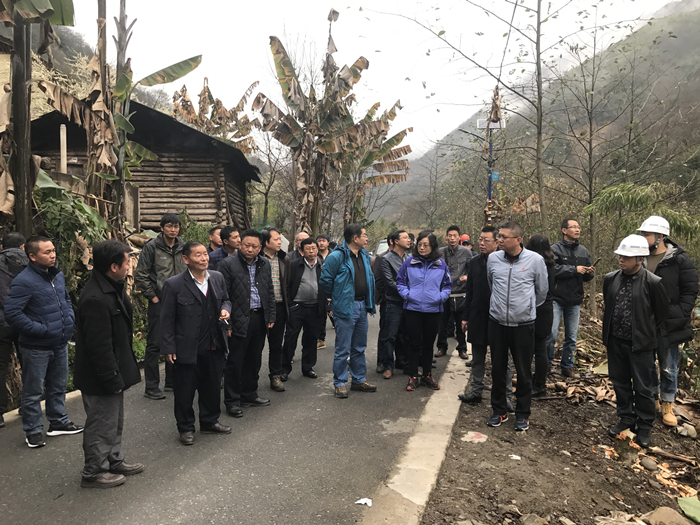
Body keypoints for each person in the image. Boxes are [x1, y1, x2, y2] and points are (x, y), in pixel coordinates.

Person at [74, 240, 143, 488]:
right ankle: (93, 472)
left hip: (113, 370)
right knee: (101, 423)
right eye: (126, 262)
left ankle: (113, 459)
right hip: (101, 375)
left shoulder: (112, 287)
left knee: (114, 420)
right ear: (114, 266)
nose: (129, 266)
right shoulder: (96, 298)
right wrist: (111, 377)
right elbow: (99, 346)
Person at [5, 236, 82, 448]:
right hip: (36, 346)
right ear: (32, 256)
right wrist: (40, 329)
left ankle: (58, 422)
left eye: (53, 250)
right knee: (34, 390)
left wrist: (69, 318)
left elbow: (65, 299)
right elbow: (12, 313)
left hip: (59, 342)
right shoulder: (24, 280)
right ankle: (33, 430)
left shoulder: (57, 276)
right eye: (47, 252)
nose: (53, 255)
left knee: (58, 386)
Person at [160, 241, 232, 445]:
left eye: (205, 254)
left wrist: (226, 310)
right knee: (185, 391)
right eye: (198, 255)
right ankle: (185, 428)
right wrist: (169, 347)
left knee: (212, 387)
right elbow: (166, 319)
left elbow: (226, 300)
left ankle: (210, 421)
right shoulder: (174, 284)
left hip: (214, 344)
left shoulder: (216, 278)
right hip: (187, 347)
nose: (203, 258)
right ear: (186, 259)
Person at [603, 234, 669, 448]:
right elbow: (609, 305)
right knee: (620, 383)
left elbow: (661, 313)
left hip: (641, 345)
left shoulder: (653, 282)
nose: (621, 260)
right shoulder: (611, 278)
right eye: (620, 256)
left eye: (626, 257)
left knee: (643, 387)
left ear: (640, 259)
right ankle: (626, 418)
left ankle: (645, 425)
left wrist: (644, 332)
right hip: (615, 341)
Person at [486, 221, 548, 432]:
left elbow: (541, 291)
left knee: (523, 371)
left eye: (504, 237)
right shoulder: (493, 259)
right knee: (497, 369)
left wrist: (525, 308)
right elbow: (492, 284)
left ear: (518, 240)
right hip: (497, 323)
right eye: (499, 236)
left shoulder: (535, 260)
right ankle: (499, 410)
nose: (499, 240)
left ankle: (522, 414)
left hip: (523, 325)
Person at [637, 216, 699, 427]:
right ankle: (653, 397)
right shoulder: (640, 257)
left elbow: (690, 290)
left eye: (646, 234)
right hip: (644, 321)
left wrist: (680, 313)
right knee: (646, 363)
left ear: (660, 236)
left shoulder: (680, 260)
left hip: (670, 323)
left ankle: (667, 403)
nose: (643, 237)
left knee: (668, 365)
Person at [219, 230, 276, 417]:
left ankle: (249, 394)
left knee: (254, 359)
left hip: (259, 317)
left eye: (254, 246)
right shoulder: (227, 264)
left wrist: (271, 316)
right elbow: (222, 296)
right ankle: (232, 401)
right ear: (240, 244)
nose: (250, 249)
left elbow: (269, 290)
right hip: (238, 318)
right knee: (235, 362)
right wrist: (227, 324)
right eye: (246, 245)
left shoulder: (264, 264)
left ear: (260, 247)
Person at [320, 223, 377, 399]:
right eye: (364, 235)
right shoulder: (337, 256)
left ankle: (358, 379)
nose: (367, 238)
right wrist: (337, 297)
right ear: (355, 238)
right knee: (343, 348)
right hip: (346, 306)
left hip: (362, 305)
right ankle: (340, 382)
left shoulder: (364, 255)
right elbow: (325, 280)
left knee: (359, 347)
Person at [134, 213, 186, 400]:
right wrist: (153, 297)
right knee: (155, 344)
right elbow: (141, 274)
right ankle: (151, 386)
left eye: (176, 226)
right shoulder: (152, 247)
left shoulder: (183, 247)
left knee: (176, 341)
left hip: (180, 302)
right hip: (160, 301)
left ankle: (171, 382)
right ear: (162, 228)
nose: (173, 230)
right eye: (169, 226)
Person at [397, 230, 451, 391]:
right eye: (419, 244)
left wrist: (440, 297)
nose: (421, 248)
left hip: (433, 310)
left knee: (428, 344)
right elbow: (400, 281)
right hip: (413, 309)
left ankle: (427, 375)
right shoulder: (409, 262)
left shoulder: (441, 264)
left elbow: (447, 285)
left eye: (425, 245)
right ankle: (413, 376)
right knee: (413, 344)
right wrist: (407, 295)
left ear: (433, 246)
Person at [547, 218, 595, 377]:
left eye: (578, 227)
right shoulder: (554, 249)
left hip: (575, 299)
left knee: (572, 336)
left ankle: (567, 366)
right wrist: (574, 269)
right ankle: (546, 364)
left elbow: (586, 277)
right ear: (564, 230)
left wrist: (589, 273)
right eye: (573, 227)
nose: (577, 229)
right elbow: (552, 270)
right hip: (556, 298)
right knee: (551, 333)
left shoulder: (584, 251)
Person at [458, 226, 499, 404]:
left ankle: (503, 396)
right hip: (477, 315)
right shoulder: (474, 262)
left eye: (486, 240)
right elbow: (470, 292)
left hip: (498, 318)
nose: (481, 243)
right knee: (477, 358)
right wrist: (465, 317)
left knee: (500, 360)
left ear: (497, 242)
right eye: (480, 240)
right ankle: (476, 392)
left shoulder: (503, 262)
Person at [282, 237, 327, 379]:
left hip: (315, 308)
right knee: (290, 338)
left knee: (311, 339)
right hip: (297, 307)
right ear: (302, 250)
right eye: (308, 249)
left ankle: (308, 367)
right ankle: (284, 369)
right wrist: (290, 304)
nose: (311, 251)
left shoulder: (322, 265)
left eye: (314, 248)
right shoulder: (294, 265)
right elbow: (287, 284)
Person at [0, 232, 28, 428]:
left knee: (0, 366)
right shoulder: (32, 261)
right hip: (25, 321)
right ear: (23, 247)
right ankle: (29, 405)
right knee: (29, 363)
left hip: (2, 323)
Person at [377, 230, 411, 379]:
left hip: (408, 302)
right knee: (390, 336)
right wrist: (407, 292)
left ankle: (406, 364)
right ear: (396, 241)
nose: (409, 240)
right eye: (405, 237)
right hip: (393, 302)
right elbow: (390, 282)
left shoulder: (409, 258)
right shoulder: (386, 259)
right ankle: (388, 365)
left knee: (407, 336)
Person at [525, 234, 556, 398]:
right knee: (541, 347)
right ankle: (539, 383)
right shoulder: (551, 263)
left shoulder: (533, 263)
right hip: (547, 308)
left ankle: (533, 383)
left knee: (531, 348)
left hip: (535, 307)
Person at [436, 225, 472, 360]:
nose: (452, 238)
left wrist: (467, 277)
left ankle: (462, 348)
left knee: (461, 323)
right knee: (442, 323)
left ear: (459, 238)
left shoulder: (466, 252)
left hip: (460, 293)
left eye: (454, 236)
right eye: (449, 236)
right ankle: (442, 347)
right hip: (444, 293)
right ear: (446, 237)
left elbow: (471, 270)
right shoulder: (440, 252)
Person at [260, 228, 289, 392]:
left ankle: (275, 375)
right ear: (266, 242)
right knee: (255, 346)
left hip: (279, 307)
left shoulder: (284, 259)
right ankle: (250, 379)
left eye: (280, 239)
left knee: (276, 345)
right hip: (259, 308)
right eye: (276, 239)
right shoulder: (257, 259)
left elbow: (288, 284)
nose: (279, 242)